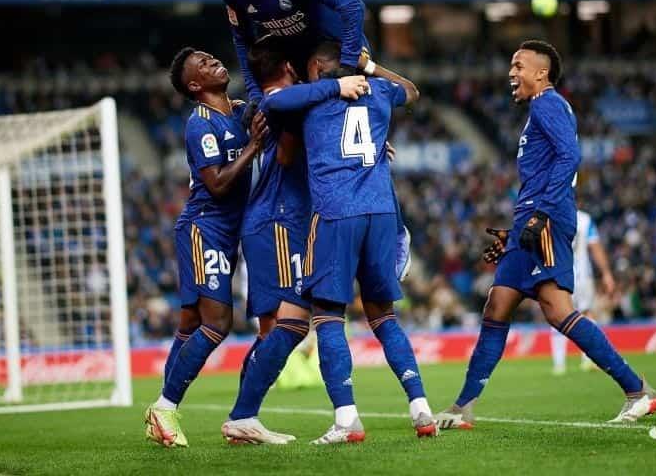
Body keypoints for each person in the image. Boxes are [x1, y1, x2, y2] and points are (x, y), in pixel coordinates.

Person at [435, 40, 656, 430]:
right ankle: (463, 407)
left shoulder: (547, 103)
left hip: (547, 219)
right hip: (531, 220)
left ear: (541, 73)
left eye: (518, 65)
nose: (511, 72)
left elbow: (571, 156)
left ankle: (637, 389)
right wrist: (520, 227)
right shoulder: (540, 110)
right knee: (497, 304)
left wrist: (541, 215)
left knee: (557, 310)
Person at [206, 0, 411, 282]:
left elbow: (352, 7)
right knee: (292, 139)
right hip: (298, 63)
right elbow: (242, 43)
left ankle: (397, 233)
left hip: (336, 52)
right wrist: (254, 94)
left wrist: (345, 69)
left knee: (362, 146)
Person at [260, 41, 437, 444]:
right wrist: (369, 67)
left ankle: (346, 420)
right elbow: (411, 91)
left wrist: (331, 86)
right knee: (384, 317)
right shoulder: (379, 91)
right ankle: (421, 409)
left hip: (336, 212)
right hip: (380, 212)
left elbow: (273, 106)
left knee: (326, 317)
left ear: (318, 65)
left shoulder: (309, 99)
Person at [222, 40, 369, 444]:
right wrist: (335, 93)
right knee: (290, 324)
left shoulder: (276, 102)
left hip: (277, 221)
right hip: (279, 220)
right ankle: (242, 415)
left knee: (277, 328)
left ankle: (243, 418)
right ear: (290, 66)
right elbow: (288, 155)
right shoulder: (284, 103)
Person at [144, 49, 266, 448]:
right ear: (195, 85)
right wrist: (253, 147)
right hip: (205, 228)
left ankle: (162, 413)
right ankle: (165, 407)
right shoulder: (200, 123)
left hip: (228, 231)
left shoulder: (239, 111)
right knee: (216, 324)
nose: (214, 61)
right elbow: (216, 183)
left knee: (190, 325)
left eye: (212, 57)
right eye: (204, 63)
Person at [550, 208, 616, 375]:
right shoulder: (585, 219)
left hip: (559, 275)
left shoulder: (552, 216)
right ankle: (589, 360)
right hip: (583, 276)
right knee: (587, 315)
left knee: (557, 315)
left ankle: (559, 365)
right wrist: (606, 273)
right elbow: (595, 247)